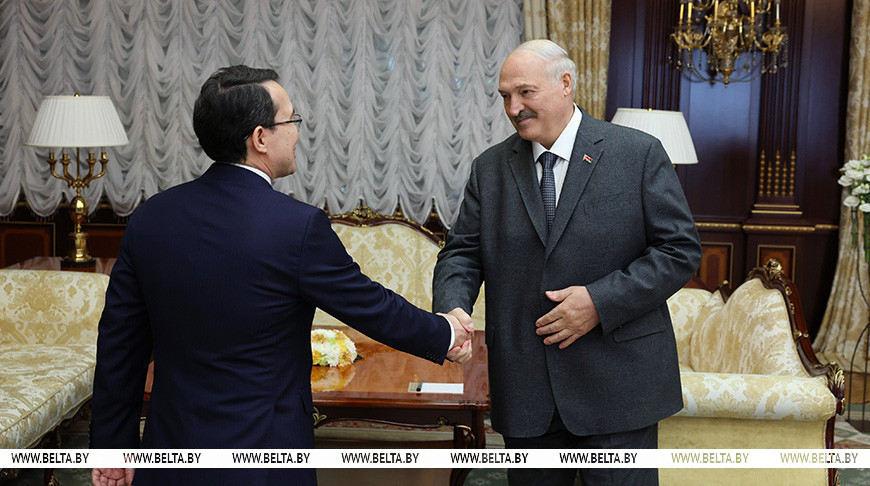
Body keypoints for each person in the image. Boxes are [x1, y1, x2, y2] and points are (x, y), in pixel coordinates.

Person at [89, 65, 473, 486]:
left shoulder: (151, 218)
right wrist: (446, 334)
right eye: (291, 120)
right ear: (260, 138)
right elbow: (370, 307)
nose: (297, 133)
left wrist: (112, 448)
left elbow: (120, 346)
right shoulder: (297, 226)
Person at [432, 39, 702, 485]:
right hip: (526, 386)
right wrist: (452, 308)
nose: (513, 108)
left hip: (619, 384)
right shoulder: (490, 168)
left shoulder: (637, 154)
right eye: (505, 96)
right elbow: (462, 252)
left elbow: (679, 250)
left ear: (565, 83)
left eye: (525, 92)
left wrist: (599, 302)